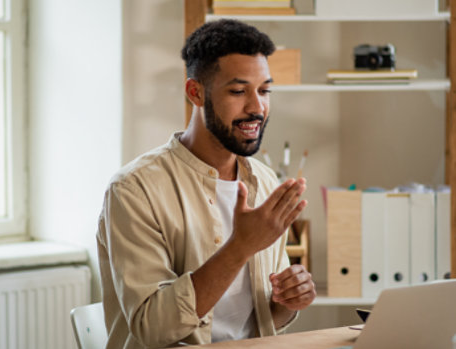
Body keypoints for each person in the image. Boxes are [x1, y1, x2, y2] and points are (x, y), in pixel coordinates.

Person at [96, 19, 316, 348]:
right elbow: (151, 328)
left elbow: (265, 315)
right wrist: (240, 247)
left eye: (265, 90)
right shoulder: (134, 189)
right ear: (195, 93)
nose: (257, 107)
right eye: (239, 91)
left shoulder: (265, 180)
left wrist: (289, 299)